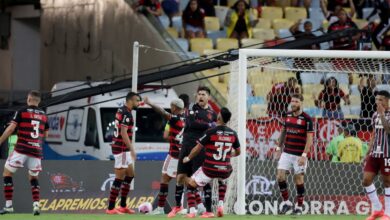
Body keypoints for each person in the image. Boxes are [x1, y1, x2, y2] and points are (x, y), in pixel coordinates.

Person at [168, 86, 218, 218]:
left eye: (204, 94)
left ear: (209, 97)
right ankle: (178, 206)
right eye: (199, 94)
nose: (201, 96)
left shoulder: (213, 114)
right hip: (186, 146)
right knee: (180, 178)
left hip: (201, 149)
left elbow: (213, 130)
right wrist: (208, 125)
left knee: (203, 180)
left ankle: (208, 210)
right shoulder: (190, 108)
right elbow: (191, 123)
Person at [182, 107, 241, 218]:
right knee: (222, 180)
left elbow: (197, 149)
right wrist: (228, 155)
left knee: (190, 184)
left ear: (218, 117)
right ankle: (220, 206)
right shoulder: (233, 133)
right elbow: (238, 152)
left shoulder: (210, 132)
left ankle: (193, 212)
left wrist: (188, 158)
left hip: (209, 169)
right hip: (225, 169)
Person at [0, 91, 49, 215]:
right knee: (33, 177)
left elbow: (11, 128)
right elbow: (46, 135)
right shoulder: (44, 115)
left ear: (28, 99)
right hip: (36, 150)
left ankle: (9, 206)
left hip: (22, 148)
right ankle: (36, 206)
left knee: (7, 173)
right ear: (38, 101)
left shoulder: (22, 111)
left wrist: (0, 140)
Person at [143, 97, 186, 215]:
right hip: (183, 156)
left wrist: (151, 103)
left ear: (175, 107)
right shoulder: (188, 119)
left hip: (174, 155)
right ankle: (180, 207)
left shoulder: (175, 118)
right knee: (181, 181)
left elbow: (162, 112)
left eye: (171, 106)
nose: (170, 108)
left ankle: (161, 208)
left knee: (164, 179)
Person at [275, 94, 314, 215]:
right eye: (292, 101)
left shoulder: (307, 119)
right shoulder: (287, 115)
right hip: (287, 152)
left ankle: (299, 206)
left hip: (299, 154)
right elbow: (283, 132)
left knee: (299, 179)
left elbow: (310, 139)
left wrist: (304, 155)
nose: (293, 104)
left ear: (301, 103)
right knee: (280, 176)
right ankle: (286, 203)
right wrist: (278, 147)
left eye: (296, 101)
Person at [106, 92, 141, 215]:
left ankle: (123, 206)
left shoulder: (122, 109)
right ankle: (110, 208)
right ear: (131, 100)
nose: (138, 103)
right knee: (119, 178)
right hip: (121, 148)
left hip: (121, 148)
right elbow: (123, 132)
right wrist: (132, 148)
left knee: (130, 175)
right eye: (137, 101)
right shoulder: (126, 113)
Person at [362, 90, 390, 220]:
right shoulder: (374, 115)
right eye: (376, 99)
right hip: (375, 153)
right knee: (366, 180)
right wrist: (368, 151)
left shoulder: (385, 114)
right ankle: (378, 209)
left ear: (387, 100)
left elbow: (388, 130)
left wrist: (383, 115)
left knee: (387, 183)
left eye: (380, 100)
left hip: (387, 153)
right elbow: (374, 134)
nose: (377, 102)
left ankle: (388, 214)